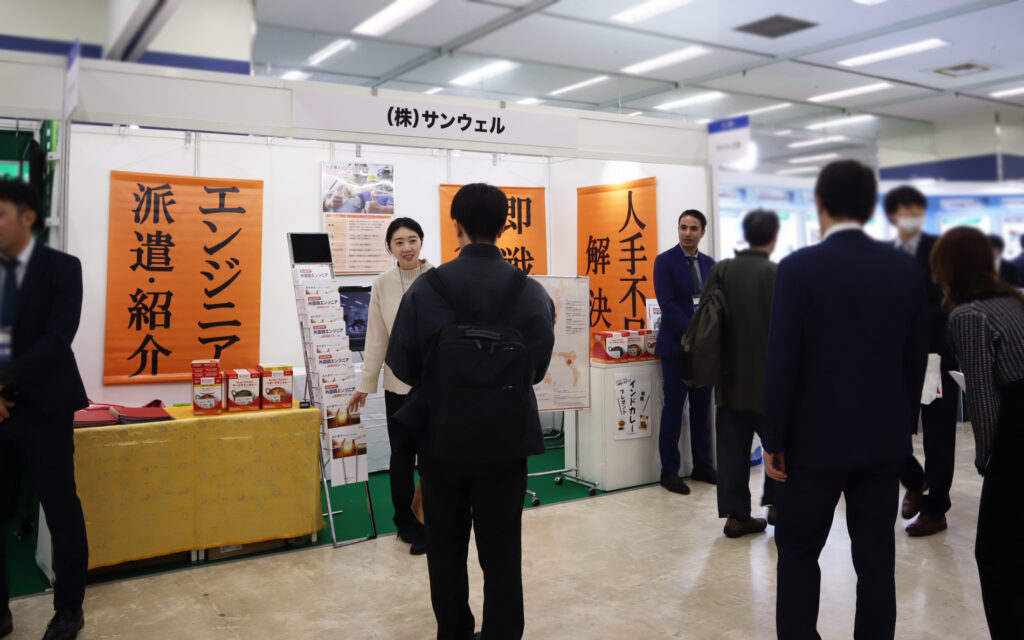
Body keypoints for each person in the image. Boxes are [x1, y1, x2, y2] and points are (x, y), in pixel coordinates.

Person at [763, 160, 928, 640]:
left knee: (798, 554)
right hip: (882, 440)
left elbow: (783, 360)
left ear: (819, 203)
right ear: (872, 206)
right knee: (876, 561)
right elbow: (915, 357)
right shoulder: (903, 268)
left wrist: (774, 438)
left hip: (810, 443)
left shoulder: (798, 268)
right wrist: (902, 427)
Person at [385, 183, 554, 640]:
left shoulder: (426, 288)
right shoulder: (530, 291)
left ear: (455, 226)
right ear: (504, 225)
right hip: (506, 441)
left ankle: (455, 631)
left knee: (445, 547)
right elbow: (537, 368)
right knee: (503, 550)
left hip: (442, 440)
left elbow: (401, 364)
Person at [0, 179, 90, 640]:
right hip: (0, 411)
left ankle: (69, 609)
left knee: (60, 508)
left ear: (27, 217)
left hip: (47, 410)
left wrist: (4, 381)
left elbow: (58, 339)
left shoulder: (63, 269)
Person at [930, 227, 1024, 639]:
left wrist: (987, 460)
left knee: (995, 553)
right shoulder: (1011, 299)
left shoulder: (968, 315)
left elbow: (984, 400)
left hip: (1016, 433)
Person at [347, 218, 433, 556]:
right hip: (397, 386)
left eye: (412, 240)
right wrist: (365, 383)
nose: (407, 248)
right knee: (402, 457)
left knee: (432, 459)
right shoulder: (382, 284)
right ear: (389, 248)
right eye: (399, 242)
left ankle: (431, 523)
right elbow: (376, 338)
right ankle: (405, 523)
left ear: (421, 242)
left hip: (433, 387)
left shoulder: (439, 278)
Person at [885, 185, 960, 536]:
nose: (912, 214)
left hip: (935, 354)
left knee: (939, 436)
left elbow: (952, 299)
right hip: (894, 359)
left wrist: (909, 318)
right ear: (892, 215)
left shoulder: (940, 249)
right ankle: (915, 479)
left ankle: (936, 508)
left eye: (917, 207)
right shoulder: (884, 254)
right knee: (891, 430)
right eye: (905, 208)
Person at [700, 209, 779, 538]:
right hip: (771, 383)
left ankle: (735, 516)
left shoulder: (721, 270)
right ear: (773, 237)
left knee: (732, 451)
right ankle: (778, 505)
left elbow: (704, 320)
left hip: (729, 379)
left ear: (745, 235)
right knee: (779, 445)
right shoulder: (777, 273)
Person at [653, 209, 717, 495]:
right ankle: (669, 471)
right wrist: (696, 334)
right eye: (683, 227)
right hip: (677, 347)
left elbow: (716, 304)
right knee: (674, 409)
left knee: (702, 410)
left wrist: (708, 337)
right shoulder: (664, 261)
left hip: (705, 352)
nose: (687, 233)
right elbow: (668, 305)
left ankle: (703, 465)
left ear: (702, 232)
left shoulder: (711, 265)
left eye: (693, 228)